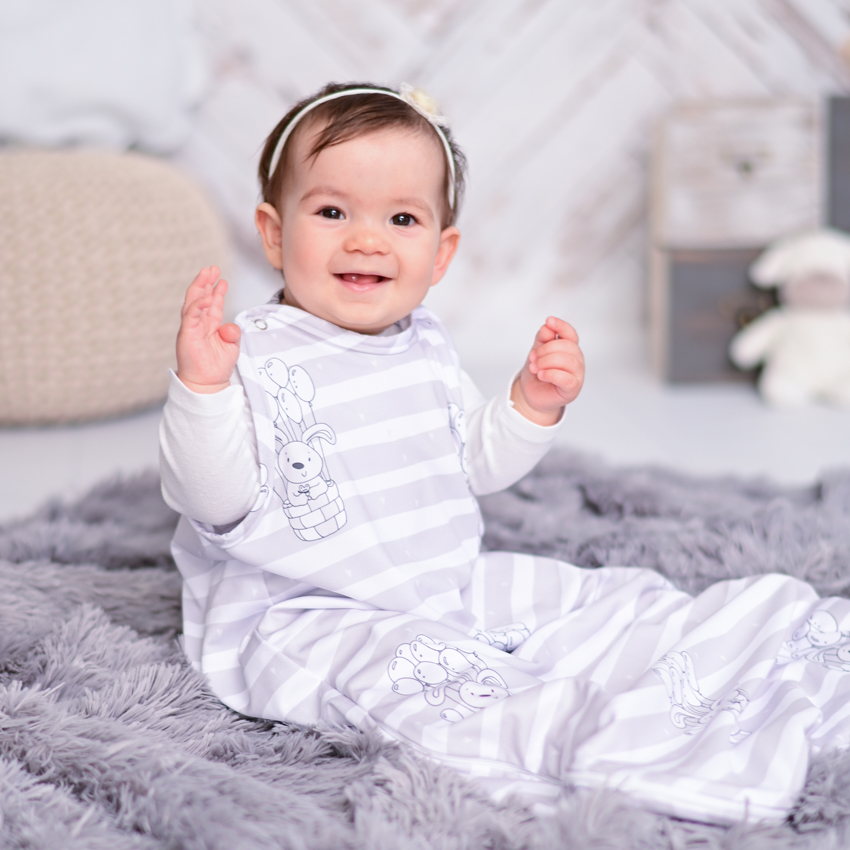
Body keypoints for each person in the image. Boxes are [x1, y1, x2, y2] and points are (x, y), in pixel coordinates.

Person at [161, 82, 850, 825]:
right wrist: (202, 390)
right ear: (273, 234)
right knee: (450, 690)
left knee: (589, 602)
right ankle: (627, 750)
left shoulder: (422, 346)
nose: (366, 240)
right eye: (332, 212)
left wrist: (528, 405)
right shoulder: (250, 356)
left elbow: (472, 464)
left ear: (441, 251)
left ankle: (754, 653)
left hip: (436, 581)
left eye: (402, 218)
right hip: (303, 615)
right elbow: (215, 501)